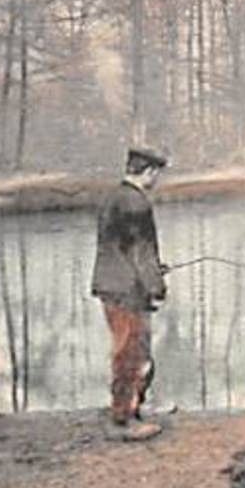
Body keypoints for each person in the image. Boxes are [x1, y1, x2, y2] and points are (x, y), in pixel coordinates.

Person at [91, 146, 175, 441]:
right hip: (127, 290)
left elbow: (121, 248)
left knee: (127, 350)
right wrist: (156, 286)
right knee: (130, 353)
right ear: (148, 172)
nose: (157, 180)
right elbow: (141, 252)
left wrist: (152, 271)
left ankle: (130, 409)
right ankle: (124, 420)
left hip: (111, 286)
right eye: (156, 173)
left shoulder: (114, 197)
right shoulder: (137, 203)